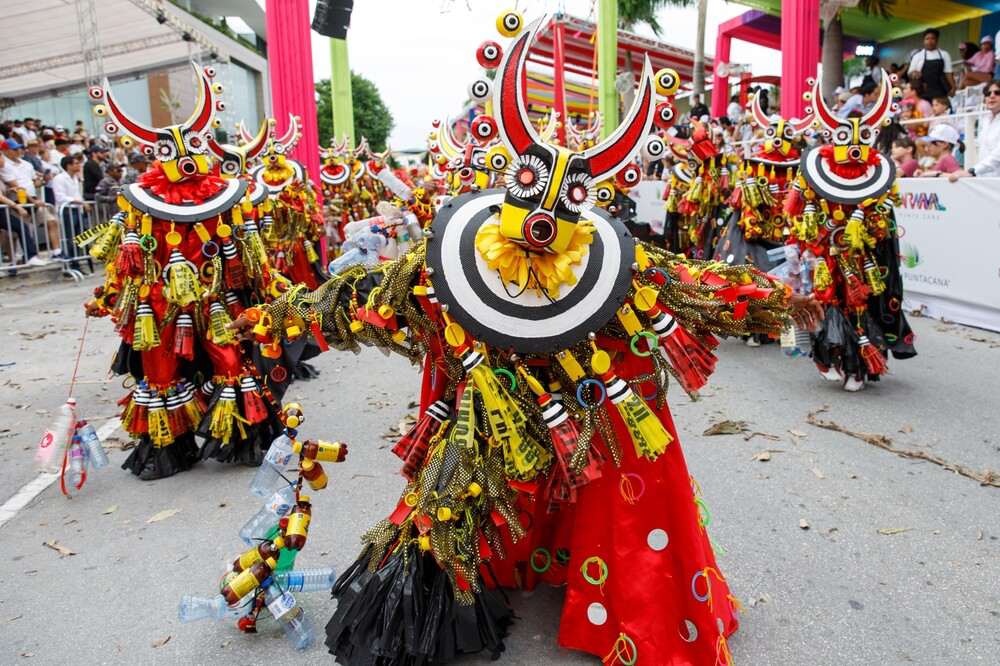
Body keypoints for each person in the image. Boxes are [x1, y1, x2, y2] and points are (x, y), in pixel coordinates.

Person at [950, 79, 1000, 180]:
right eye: (988, 93)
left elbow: (998, 155)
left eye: (997, 93)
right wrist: (973, 172)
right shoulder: (985, 121)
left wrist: (973, 171)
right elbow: (982, 154)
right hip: (984, 180)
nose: (992, 96)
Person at [907, 28, 955, 100]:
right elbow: (910, 72)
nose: (930, 41)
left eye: (932, 38)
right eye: (927, 39)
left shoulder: (944, 54)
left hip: (940, 89)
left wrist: (953, 87)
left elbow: (948, 73)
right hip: (924, 90)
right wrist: (914, 73)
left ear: (937, 40)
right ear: (924, 41)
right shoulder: (918, 56)